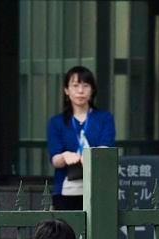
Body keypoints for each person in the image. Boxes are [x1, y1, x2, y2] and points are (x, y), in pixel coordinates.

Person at [47, 66, 115, 211]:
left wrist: (90, 157)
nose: (80, 91)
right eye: (75, 85)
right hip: (66, 190)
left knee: (99, 232)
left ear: (92, 90)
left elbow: (106, 148)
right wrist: (65, 156)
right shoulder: (57, 122)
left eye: (85, 85)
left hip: (98, 187)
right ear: (66, 90)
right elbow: (55, 159)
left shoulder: (104, 118)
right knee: (66, 231)